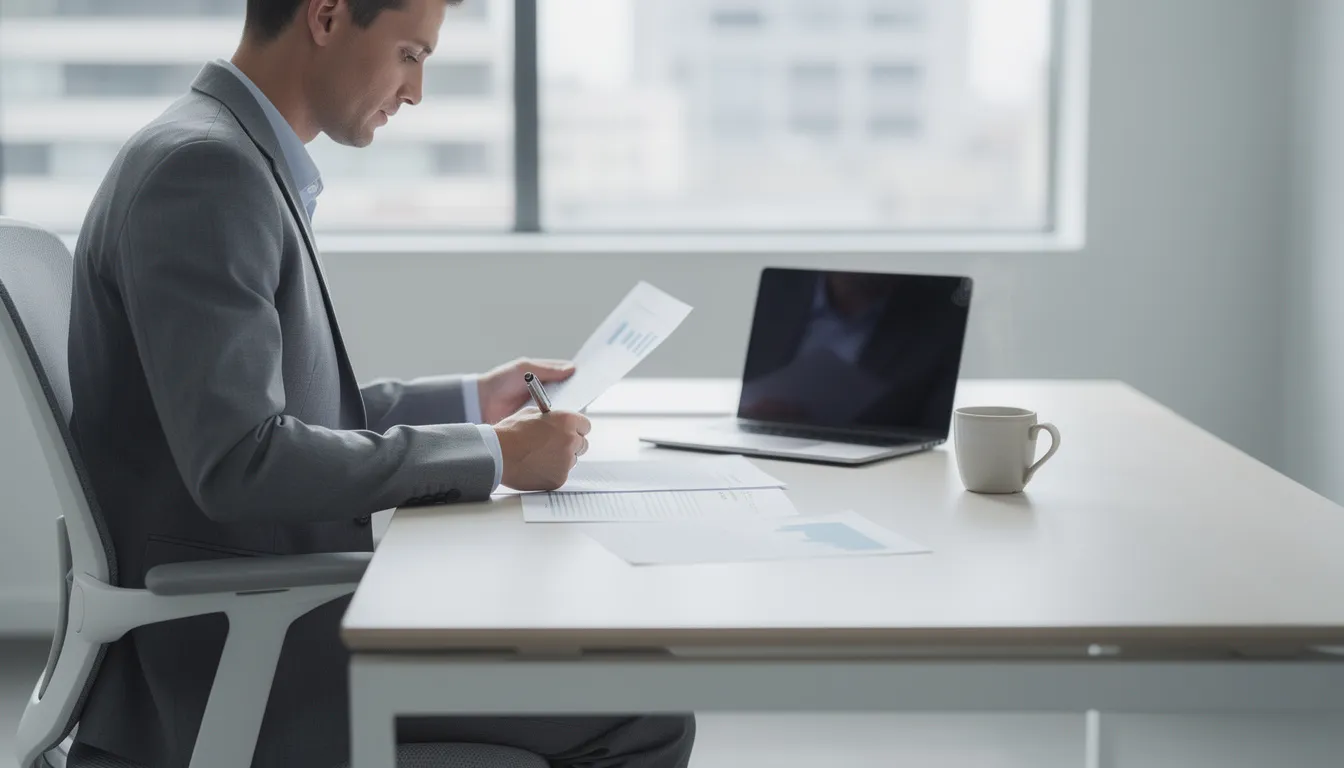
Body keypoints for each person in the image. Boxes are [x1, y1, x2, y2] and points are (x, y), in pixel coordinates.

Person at [63, 1, 695, 766]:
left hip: (263, 624)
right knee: (645, 707)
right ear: (326, 16)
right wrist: (492, 455)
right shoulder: (207, 173)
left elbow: (291, 415)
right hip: (239, 662)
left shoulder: (224, 154)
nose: (415, 91)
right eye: (409, 54)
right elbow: (241, 461)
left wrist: (474, 403)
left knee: (600, 658)